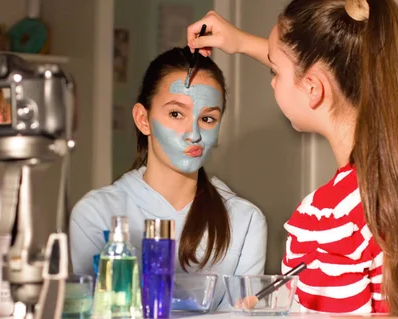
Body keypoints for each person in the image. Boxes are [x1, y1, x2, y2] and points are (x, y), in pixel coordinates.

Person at [186, 0, 398, 315]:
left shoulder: (324, 221)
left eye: (274, 71)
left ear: (313, 88)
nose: (271, 81)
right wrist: (240, 42)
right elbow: (345, 69)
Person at [69, 47, 267, 310]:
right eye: (176, 114)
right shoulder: (96, 214)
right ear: (143, 119)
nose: (193, 134)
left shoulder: (246, 221)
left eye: (208, 118)